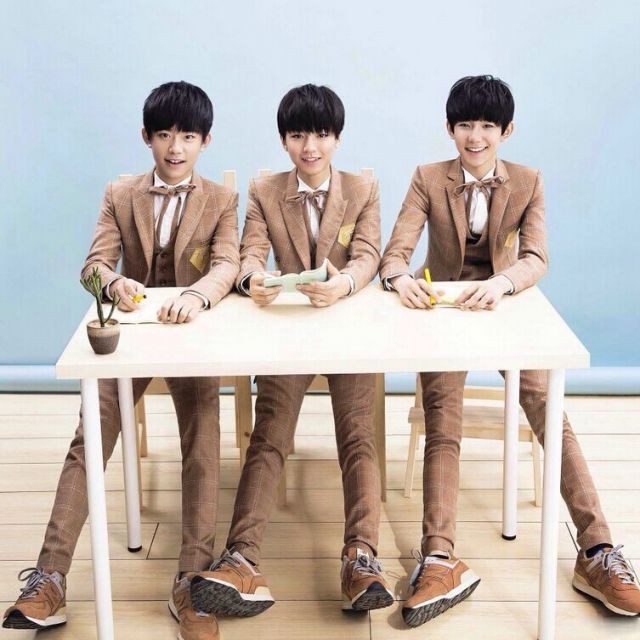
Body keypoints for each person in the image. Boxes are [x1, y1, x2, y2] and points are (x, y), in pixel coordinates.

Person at [379, 74, 640, 628]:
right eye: (465, 125)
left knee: (548, 406)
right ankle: (439, 558)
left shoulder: (528, 180)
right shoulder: (426, 177)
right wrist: (400, 279)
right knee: (442, 418)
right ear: (449, 129)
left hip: (505, 307)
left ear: (507, 130)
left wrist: (502, 284)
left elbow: (536, 256)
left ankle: (597, 550)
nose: (475, 136)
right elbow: (396, 251)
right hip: (442, 308)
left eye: (487, 126)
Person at [3, 81, 240, 640]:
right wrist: (114, 284)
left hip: (190, 336)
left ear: (206, 141)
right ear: (146, 137)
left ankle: (193, 580)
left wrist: (196, 296)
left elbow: (228, 264)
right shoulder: (120, 192)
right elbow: (92, 266)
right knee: (91, 434)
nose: (175, 147)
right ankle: (50, 578)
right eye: (164, 135)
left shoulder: (223, 200)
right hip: (127, 337)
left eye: (188, 136)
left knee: (203, 439)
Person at [190, 83, 394, 617]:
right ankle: (241, 558)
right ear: (284, 140)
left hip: (347, 329)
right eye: (298, 135)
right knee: (270, 432)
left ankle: (362, 558)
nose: (310, 147)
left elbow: (368, 254)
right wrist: (252, 280)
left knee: (357, 432)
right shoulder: (264, 189)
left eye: (321, 135)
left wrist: (343, 284)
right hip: (285, 330)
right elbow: (250, 251)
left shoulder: (363, 188)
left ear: (337, 138)